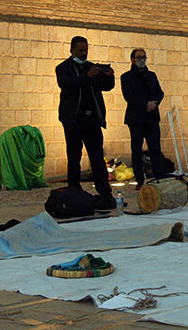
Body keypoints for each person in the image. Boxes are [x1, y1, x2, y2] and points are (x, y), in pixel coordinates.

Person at [56, 36, 116, 210]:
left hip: (93, 120)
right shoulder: (63, 68)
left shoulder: (92, 67)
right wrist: (86, 76)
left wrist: (109, 77)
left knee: (97, 158)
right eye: (80, 50)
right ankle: (74, 194)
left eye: (86, 50)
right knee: (74, 158)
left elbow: (105, 87)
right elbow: (68, 86)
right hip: (73, 120)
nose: (83, 54)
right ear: (72, 50)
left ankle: (105, 194)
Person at [120, 48, 167, 188]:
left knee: (155, 149)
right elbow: (128, 96)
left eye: (144, 57)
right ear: (132, 59)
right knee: (136, 149)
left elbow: (159, 92)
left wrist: (154, 104)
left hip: (151, 117)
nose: (142, 60)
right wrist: (145, 104)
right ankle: (139, 179)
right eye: (139, 57)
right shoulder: (126, 77)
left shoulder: (151, 75)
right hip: (136, 118)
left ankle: (159, 176)